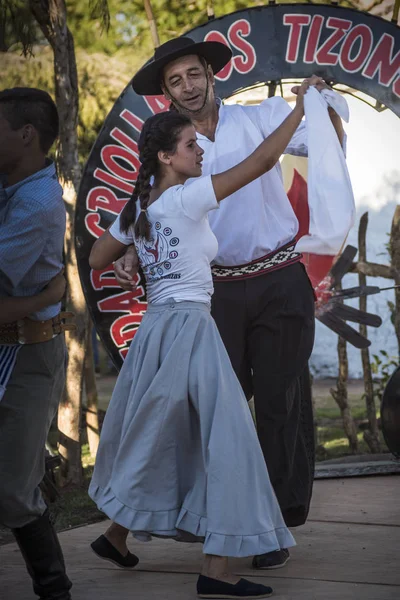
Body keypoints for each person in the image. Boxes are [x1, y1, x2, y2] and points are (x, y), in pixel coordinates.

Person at [111, 37, 345, 569]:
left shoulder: (260, 116)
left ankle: (275, 525)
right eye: (175, 81)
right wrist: (129, 248)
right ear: (167, 93)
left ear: (210, 74)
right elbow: (153, 206)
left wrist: (322, 104)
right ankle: (219, 518)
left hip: (280, 277)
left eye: (193, 74)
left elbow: (323, 140)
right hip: (214, 292)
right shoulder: (174, 145)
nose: (187, 86)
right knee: (216, 410)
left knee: (281, 402)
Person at [88, 81, 309, 599]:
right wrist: (300, 110)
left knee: (170, 431)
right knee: (230, 442)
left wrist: (132, 258)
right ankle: (217, 572)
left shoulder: (144, 204)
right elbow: (257, 165)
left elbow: (98, 257)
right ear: (167, 156)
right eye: (191, 146)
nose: (201, 151)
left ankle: (116, 536)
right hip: (190, 328)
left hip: (157, 333)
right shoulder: (185, 199)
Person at [0, 87, 72, 600]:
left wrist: (36, 303)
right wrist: (43, 295)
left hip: (26, 354)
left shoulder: (40, 203)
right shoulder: (9, 182)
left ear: (25, 135)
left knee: (12, 491)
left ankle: (55, 590)